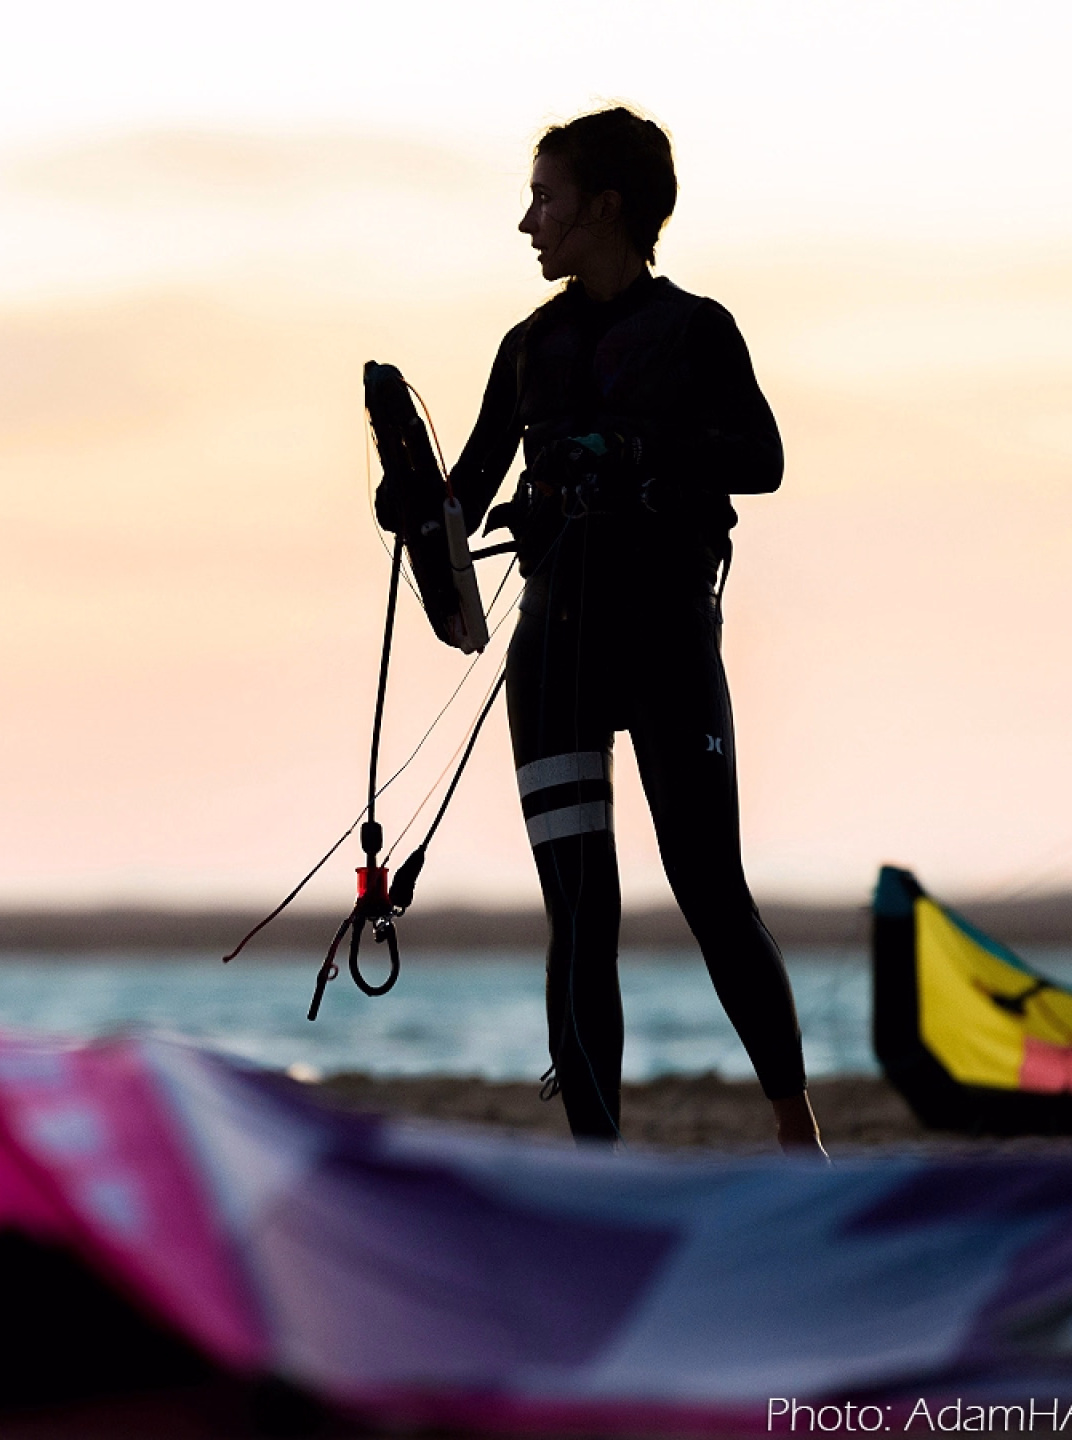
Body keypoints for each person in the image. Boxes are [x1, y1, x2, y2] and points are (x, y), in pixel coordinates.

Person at [408, 107, 822, 1153]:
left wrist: (631, 449)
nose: (527, 222)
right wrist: (410, 502)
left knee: (709, 889)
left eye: (545, 198)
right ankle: (600, 1165)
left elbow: (762, 459)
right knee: (580, 917)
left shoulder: (695, 330)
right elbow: (461, 500)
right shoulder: (527, 349)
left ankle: (797, 1129)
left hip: (667, 644)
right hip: (556, 655)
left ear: (606, 208)